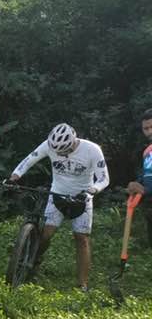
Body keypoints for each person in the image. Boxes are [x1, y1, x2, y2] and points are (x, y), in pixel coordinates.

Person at [9, 122, 109, 291]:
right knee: (46, 234)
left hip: (81, 198)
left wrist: (92, 190)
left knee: (82, 239)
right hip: (56, 195)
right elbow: (29, 159)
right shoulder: (49, 145)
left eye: (64, 150)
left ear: (73, 141)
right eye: (57, 151)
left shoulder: (92, 150)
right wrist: (14, 176)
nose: (60, 154)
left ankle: (82, 284)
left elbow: (104, 179)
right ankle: (32, 262)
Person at [126, 109, 152, 248]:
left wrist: (145, 190)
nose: (149, 132)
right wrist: (137, 183)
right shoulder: (147, 152)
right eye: (145, 128)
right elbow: (146, 174)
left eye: (151, 127)